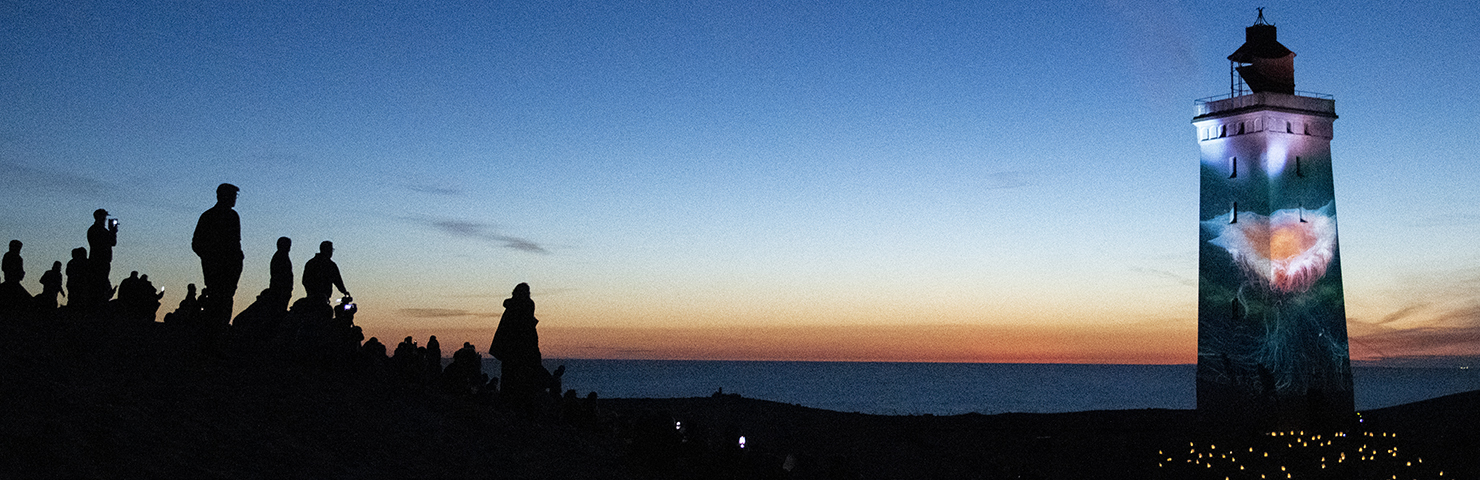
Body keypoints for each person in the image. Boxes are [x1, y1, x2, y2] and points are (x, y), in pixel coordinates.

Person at [489, 283, 548, 401]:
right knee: (517, 378)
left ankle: (510, 400)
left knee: (511, 377)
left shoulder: (513, 307)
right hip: (518, 349)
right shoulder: (525, 306)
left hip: (512, 349)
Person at [193, 183, 242, 322]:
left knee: (225, 300)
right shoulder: (210, 217)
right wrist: (211, 258)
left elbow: (236, 243)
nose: (235, 199)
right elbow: (196, 243)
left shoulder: (232, 216)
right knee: (217, 301)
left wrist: (237, 260)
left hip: (230, 268)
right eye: (233, 195)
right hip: (217, 269)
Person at [87, 209, 118, 300]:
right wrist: (112, 232)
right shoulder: (98, 230)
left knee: (101, 282)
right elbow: (112, 242)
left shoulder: (95, 229)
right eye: (104, 217)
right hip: (100, 261)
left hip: (100, 260)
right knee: (100, 283)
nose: (105, 219)